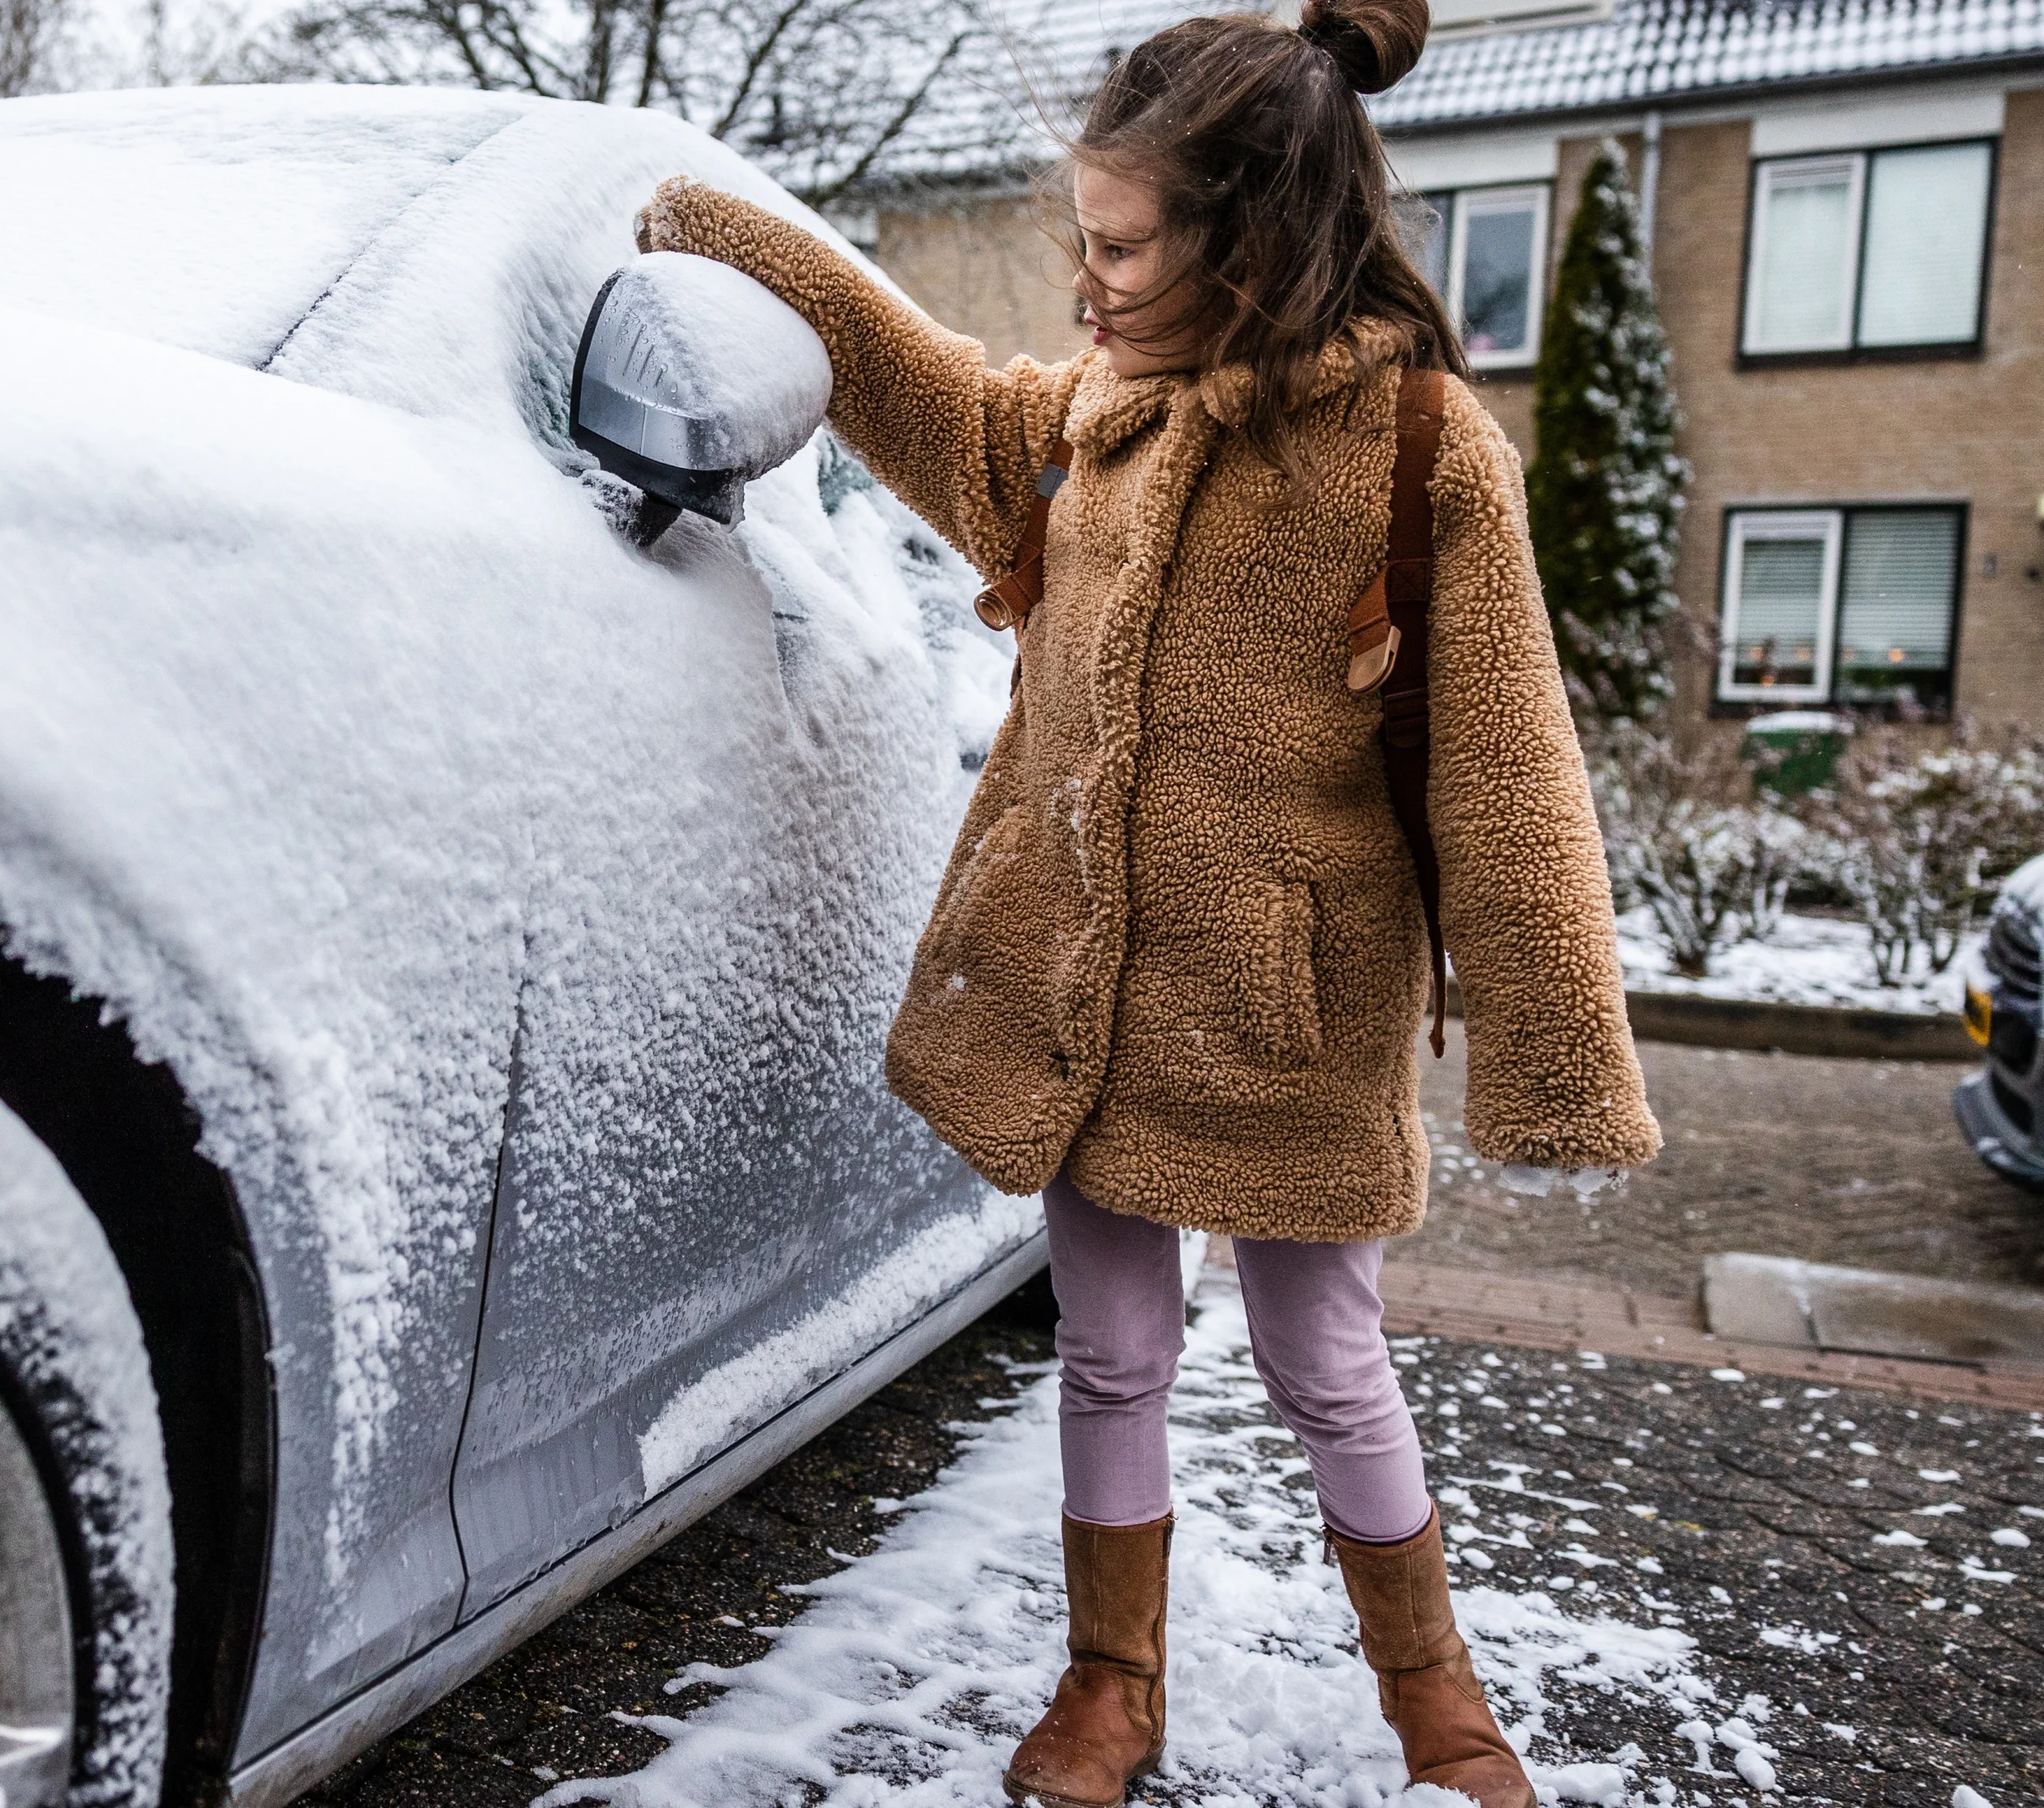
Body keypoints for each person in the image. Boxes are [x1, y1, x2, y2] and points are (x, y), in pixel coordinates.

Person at [634, 2, 1661, 1804]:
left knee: (1327, 1363)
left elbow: (1506, 779)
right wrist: (725, 230)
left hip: (1287, 1020)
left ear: (1249, 242)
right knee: (1110, 1355)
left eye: (1118, 248)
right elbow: (915, 377)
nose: (1085, 282)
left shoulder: (1420, 454)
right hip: (1085, 1003)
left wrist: (1555, 1061)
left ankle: (1434, 1697)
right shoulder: (1087, 428)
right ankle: (1112, 1679)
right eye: (1081, 243)